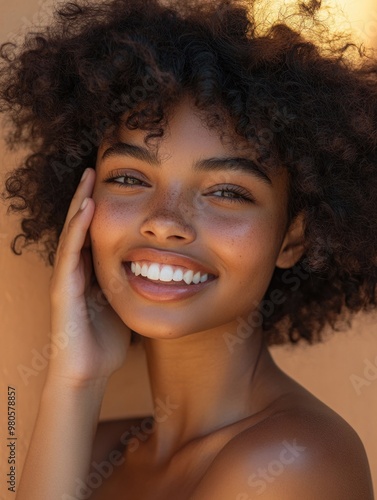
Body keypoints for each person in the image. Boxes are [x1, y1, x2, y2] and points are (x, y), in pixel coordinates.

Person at [1, 0, 376, 498]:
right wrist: (76, 381)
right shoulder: (93, 451)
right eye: (131, 178)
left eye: (227, 191)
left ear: (294, 237)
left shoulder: (294, 462)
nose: (164, 223)